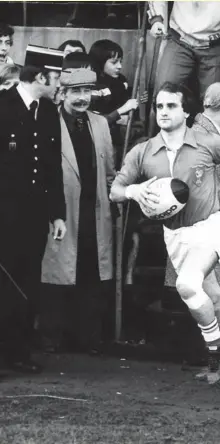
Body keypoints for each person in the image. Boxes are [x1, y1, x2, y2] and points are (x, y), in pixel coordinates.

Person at [110, 82, 220, 394]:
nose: (163, 112)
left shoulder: (205, 142)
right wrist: (134, 191)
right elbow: (115, 191)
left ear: (186, 111)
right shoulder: (142, 151)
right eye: (159, 107)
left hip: (209, 227)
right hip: (175, 235)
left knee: (187, 285)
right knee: (215, 302)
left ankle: (214, 350)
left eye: (171, 106)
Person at [39, 66, 115, 355]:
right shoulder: (48, 122)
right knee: (57, 274)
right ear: (63, 94)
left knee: (89, 273)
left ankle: (88, 339)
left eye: (87, 91)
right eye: (76, 92)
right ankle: (52, 337)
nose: (83, 98)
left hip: (94, 211)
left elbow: (108, 170)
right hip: (61, 210)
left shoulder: (100, 124)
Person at [0, 44, 66, 374]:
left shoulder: (48, 111)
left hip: (35, 216)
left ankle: (18, 352)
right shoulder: (3, 107)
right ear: (40, 76)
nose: (59, 86)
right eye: (56, 78)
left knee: (27, 282)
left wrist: (57, 214)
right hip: (4, 216)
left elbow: (52, 166)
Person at [164, 82, 220, 295]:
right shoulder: (201, 136)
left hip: (201, 228)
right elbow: (197, 182)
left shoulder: (199, 132)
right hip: (203, 231)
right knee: (207, 299)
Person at [148, 1, 220, 99]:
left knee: (214, 100)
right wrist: (156, 20)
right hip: (180, 40)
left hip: (214, 46)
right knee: (164, 93)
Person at [89, 39, 142, 166]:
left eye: (121, 61)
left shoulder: (121, 81)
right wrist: (121, 111)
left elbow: (131, 109)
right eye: (114, 62)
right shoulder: (93, 85)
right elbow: (96, 121)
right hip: (103, 140)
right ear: (100, 63)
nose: (120, 66)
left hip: (126, 135)